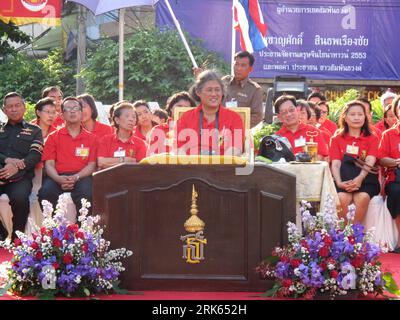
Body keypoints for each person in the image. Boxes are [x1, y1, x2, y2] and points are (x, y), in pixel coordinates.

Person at [38, 97, 97, 214]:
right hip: (57, 176)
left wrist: (76, 177)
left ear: (81, 113)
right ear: (62, 115)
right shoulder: (53, 137)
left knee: (87, 195)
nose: (72, 111)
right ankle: (53, 230)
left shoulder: (92, 138)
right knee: (45, 193)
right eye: (68, 109)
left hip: (82, 176)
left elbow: (91, 165)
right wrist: (58, 179)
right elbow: (49, 164)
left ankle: (82, 231)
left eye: (76, 108)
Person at [0, 92, 43, 239]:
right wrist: (6, 160)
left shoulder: (35, 130)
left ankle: (17, 239)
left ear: (24, 108)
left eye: (17, 105)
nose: (14, 109)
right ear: (4, 110)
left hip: (21, 177)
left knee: (20, 198)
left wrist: (17, 166)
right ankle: (1, 232)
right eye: (10, 106)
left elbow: (35, 155)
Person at [330, 101, 380, 223]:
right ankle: (342, 235)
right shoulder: (336, 139)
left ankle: (354, 234)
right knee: (341, 198)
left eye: (360, 114)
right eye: (352, 114)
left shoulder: (372, 138)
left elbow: (370, 160)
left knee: (362, 197)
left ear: (365, 117)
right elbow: (335, 163)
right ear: (345, 118)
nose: (356, 117)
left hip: (366, 179)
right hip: (343, 179)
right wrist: (339, 182)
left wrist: (360, 178)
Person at [176, 70, 244, 156]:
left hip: (223, 168)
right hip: (191, 167)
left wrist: (217, 164)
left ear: (222, 92)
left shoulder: (234, 118)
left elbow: (236, 149)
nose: (214, 94)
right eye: (209, 90)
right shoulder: (186, 118)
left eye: (217, 90)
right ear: (198, 92)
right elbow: (179, 149)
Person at [195, 51, 263, 128]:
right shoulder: (223, 81)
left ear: (250, 69)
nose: (238, 68)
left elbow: (257, 116)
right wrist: (202, 79)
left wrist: (235, 126)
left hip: (238, 133)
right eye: (236, 64)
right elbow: (208, 96)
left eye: (243, 65)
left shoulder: (255, 90)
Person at [274, 95, 329, 159]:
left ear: (297, 111)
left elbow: (323, 156)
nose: (289, 114)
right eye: (284, 112)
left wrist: (303, 160)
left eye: (291, 110)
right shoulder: (276, 139)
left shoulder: (313, 131)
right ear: (279, 117)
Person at [98, 103, 147, 169]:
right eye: (127, 116)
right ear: (117, 120)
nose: (131, 119)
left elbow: (139, 167)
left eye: (134, 117)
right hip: (109, 178)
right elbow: (101, 162)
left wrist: (110, 163)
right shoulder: (105, 140)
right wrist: (124, 160)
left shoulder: (140, 143)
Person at [378, 117, 400, 252]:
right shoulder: (389, 134)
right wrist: (397, 162)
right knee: (397, 192)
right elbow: (381, 159)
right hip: (396, 177)